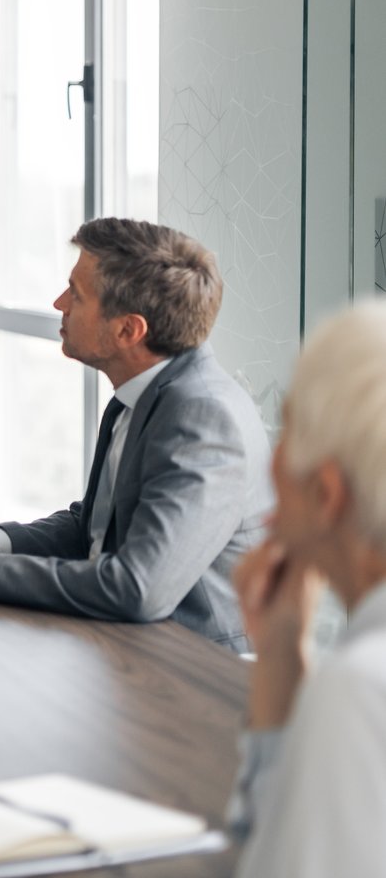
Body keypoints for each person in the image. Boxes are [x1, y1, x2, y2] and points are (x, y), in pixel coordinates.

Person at [0, 218, 267, 650]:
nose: (59, 302)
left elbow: (138, 587)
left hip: (191, 666)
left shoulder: (202, 416)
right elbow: (93, 527)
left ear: (128, 330)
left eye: (77, 295)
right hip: (123, 644)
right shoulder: (137, 395)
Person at [227, 303, 386, 877]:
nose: (268, 461)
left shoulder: (359, 690)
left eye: (286, 429)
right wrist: (279, 663)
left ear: (325, 494)